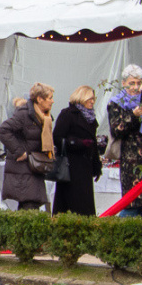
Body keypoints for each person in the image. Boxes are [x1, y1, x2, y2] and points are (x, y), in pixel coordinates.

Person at [107, 65, 142, 217]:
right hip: (130, 160)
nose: (135, 87)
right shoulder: (116, 103)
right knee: (131, 205)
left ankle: (140, 240)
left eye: (139, 83)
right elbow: (116, 129)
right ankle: (119, 237)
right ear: (124, 83)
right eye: (132, 83)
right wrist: (134, 115)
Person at [0, 83, 54, 211]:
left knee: (29, 206)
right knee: (29, 206)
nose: (52, 101)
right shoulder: (24, 115)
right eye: (50, 97)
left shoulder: (44, 117)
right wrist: (20, 152)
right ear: (40, 99)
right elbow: (3, 131)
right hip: (23, 168)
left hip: (35, 167)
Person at [54, 85, 102, 215]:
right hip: (70, 166)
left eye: (94, 98)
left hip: (85, 166)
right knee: (71, 204)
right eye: (90, 98)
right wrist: (77, 143)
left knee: (85, 205)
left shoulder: (91, 119)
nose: (92, 101)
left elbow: (94, 144)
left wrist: (97, 166)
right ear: (81, 97)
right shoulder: (68, 114)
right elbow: (57, 137)